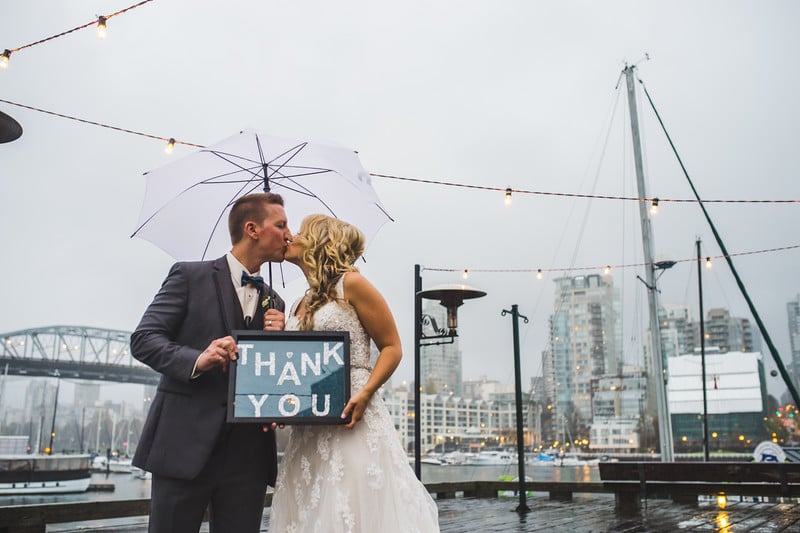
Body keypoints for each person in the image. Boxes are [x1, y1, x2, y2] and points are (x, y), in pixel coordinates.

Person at [131, 192, 292, 533]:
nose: (289, 234)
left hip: (248, 458)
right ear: (252, 229)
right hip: (183, 447)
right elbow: (144, 339)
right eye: (281, 225)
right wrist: (197, 359)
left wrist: (279, 340)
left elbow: (275, 380)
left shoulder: (274, 301)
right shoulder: (189, 276)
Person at [268, 214, 440, 532]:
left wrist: (364, 393)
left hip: (352, 416)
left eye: (300, 232)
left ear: (320, 242)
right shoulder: (296, 303)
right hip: (308, 427)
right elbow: (294, 368)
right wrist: (277, 335)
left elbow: (392, 347)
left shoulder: (353, 284)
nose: (290, 236)